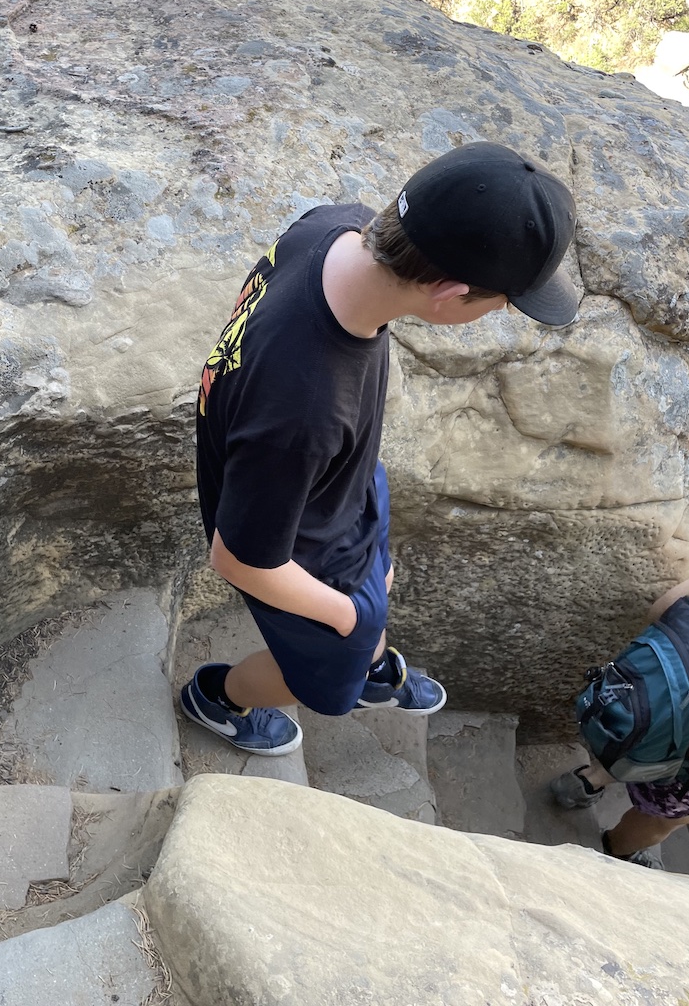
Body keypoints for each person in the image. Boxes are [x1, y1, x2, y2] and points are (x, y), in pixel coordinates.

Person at [181, 141, 579, 755]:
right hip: (300, 550)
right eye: (503, 304)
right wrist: (348, 619)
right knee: (319, 670)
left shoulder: (332, 226)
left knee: (374, 590)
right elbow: (238, 558)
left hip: (340, 491)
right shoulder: (303, 407)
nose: (498, 314)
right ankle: (222, 697)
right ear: (449, 292)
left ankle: (370, 662)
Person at [551, 567, 689, 867]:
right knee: (661, 821)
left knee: (641, 729)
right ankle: (618, 850)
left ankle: (587, 781)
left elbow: (658, 614)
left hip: (617, 707)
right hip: (670, 769)